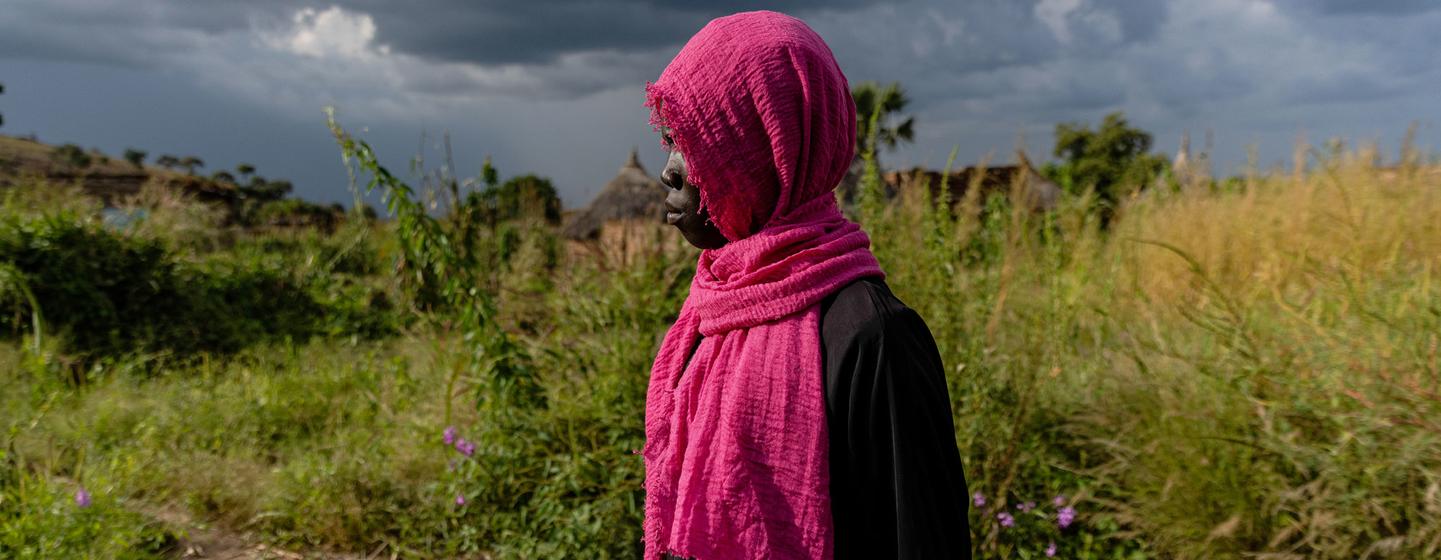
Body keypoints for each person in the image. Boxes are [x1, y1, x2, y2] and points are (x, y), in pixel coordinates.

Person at [641, 11, 970, 560]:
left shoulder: (874, 338)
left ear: (769, 149)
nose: (669, 171)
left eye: (695, 141)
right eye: (669, 139)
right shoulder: (708, 313)